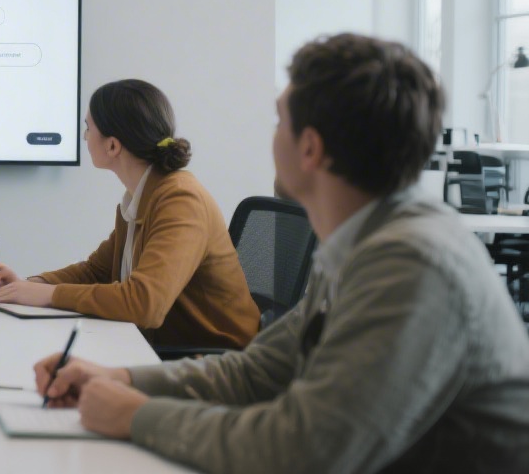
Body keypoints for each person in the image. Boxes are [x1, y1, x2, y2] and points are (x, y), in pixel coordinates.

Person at [32, 34, 529, 474]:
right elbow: (256, 371)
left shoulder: (411, 264)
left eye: (278, 120)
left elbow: (305, 449)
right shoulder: (365, 243)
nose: (270, 136)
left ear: (308, 149)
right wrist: (118, 379)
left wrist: (134, 415)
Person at [0, 79, 259, 349]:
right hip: (165, 348)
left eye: (88, 128)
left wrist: (49, 295)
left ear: (113, 146)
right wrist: (29, 285)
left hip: (217, 363)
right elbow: (96, 271)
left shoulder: (180, 200)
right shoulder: (142, 197)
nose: (84, 137)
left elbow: (144, 304)